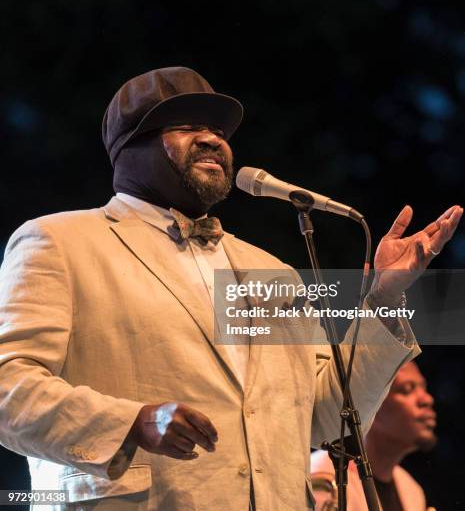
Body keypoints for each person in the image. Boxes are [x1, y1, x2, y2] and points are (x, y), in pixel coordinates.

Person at [0, 67, 461, 510]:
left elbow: (325, 413)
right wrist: (132, 422)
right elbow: (8, 387)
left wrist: (381, 299)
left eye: (218, 130)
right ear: (128, 148)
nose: (212, 139)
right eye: (183, 126)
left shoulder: (268, 270)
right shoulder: (61, 242)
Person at [311, 361, 437, 510]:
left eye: (423, 388)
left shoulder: (411, 490)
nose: (427, 399)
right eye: (407, 389)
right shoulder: (324, 478)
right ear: (371, 406)